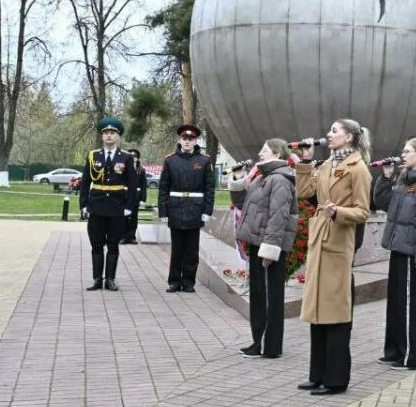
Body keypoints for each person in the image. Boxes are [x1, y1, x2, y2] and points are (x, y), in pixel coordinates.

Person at [295, 119, 373, 396]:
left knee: (336, 313)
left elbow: (363, 211)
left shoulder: (358, 168)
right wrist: (305, 163)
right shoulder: (327, 164)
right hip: (319, 241)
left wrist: (337, 212)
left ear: (349, 137)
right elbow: (304, 193)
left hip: (338, 243)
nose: (328, 135)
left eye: (334, 131)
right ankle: (317, 374)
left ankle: (336, 378)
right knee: (318, 311)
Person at [374, 137, 416, 371]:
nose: (403, 155)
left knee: (411, 304)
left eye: (408, 151)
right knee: (396, 303)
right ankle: (395, 351)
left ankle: (412, 356)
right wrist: (385, 176)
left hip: (413, 253)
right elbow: (383, 201)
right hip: (398, 249)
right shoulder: (404, 180)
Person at [229, 138, 299, 359]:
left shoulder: (280, 179)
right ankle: (258, 341)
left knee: (270, 297)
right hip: (258, 243)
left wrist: (271, 248)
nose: (260, 153)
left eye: (265, 150)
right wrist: (239, 179)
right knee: (259, 296)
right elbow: (243, 204)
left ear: (277, 154)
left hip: (269, 246)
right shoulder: (263, 177)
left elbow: (279, 217)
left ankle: (270, 346)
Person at [79, 116, 139, 291]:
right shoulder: (93, 156)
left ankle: (110, 279)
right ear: (102, 136)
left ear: (118, 137)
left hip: (117, 208)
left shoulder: (126, 158)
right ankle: (97, 279)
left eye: (113, 133)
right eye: (106, 133)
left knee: (113, 245)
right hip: (96, 206)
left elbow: (133, 184)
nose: (109, 136)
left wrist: (129, 207)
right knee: (96, 245)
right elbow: (85, 182)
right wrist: (84, 204)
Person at [159, 125, 216, 293]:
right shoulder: (170, 160)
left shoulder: (204, 161)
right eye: (184, 139)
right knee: (177, 249)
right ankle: (174, 282)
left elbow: (209, 188)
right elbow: (163, 187)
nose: (187, 142)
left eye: (190, 139)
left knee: (192, 250)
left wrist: (207, 211)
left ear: (195, 141)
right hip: (175, 208)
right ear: (180, 140)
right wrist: (163, 211)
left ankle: (189, 282)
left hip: (195, 209)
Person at [121, 149, 148, 244]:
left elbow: (144, 186)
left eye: (135, 156)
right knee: (124, 217)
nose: (133, 157)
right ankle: (123, 237)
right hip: (125, 195)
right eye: (131, 156)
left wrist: (143, 199)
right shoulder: (123, 169)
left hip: (136, 197)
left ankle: (132, 237)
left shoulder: (141, 170)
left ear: (137, 158)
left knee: (133, 217)